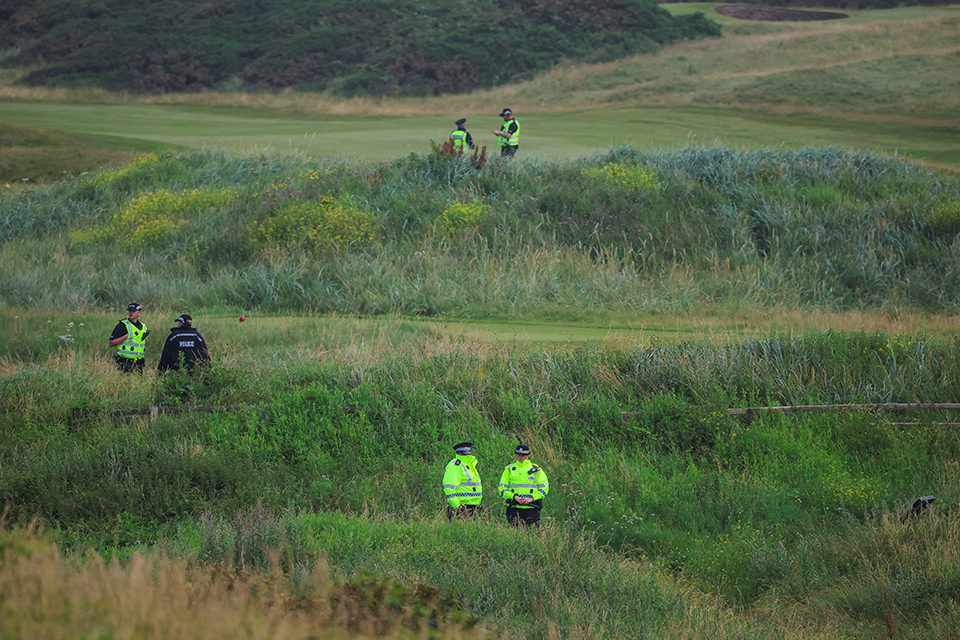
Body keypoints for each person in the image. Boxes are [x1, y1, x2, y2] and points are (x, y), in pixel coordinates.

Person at [499, 444, 549, 527]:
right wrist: (515, 497)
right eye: (519, 455)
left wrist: (532, 498)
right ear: (516, 455)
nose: (521, 457)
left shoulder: (536, 469)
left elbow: (544, 488)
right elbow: (502, 488)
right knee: (513, 534)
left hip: (531, 507)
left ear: (528, 455)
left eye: (524, 455)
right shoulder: (509, 469)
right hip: (514, 507)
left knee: (533, 534)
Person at [442, 441, 483, 520]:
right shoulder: (456, 466)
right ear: (459, 453)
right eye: (465, 453)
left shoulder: (470, 466)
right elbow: (449, 488)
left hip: (473, 507)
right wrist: (457, 506)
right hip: (461, 508)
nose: (467, 455)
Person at [109, 302, 149, 374]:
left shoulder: (143, 326)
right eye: (129, 311)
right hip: (125, 362)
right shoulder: (123, 325)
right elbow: (111, 343)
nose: (131, 313)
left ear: (139, 313)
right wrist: (125, 337)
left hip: (138, 362)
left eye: (133, 311)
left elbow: (145, 342)